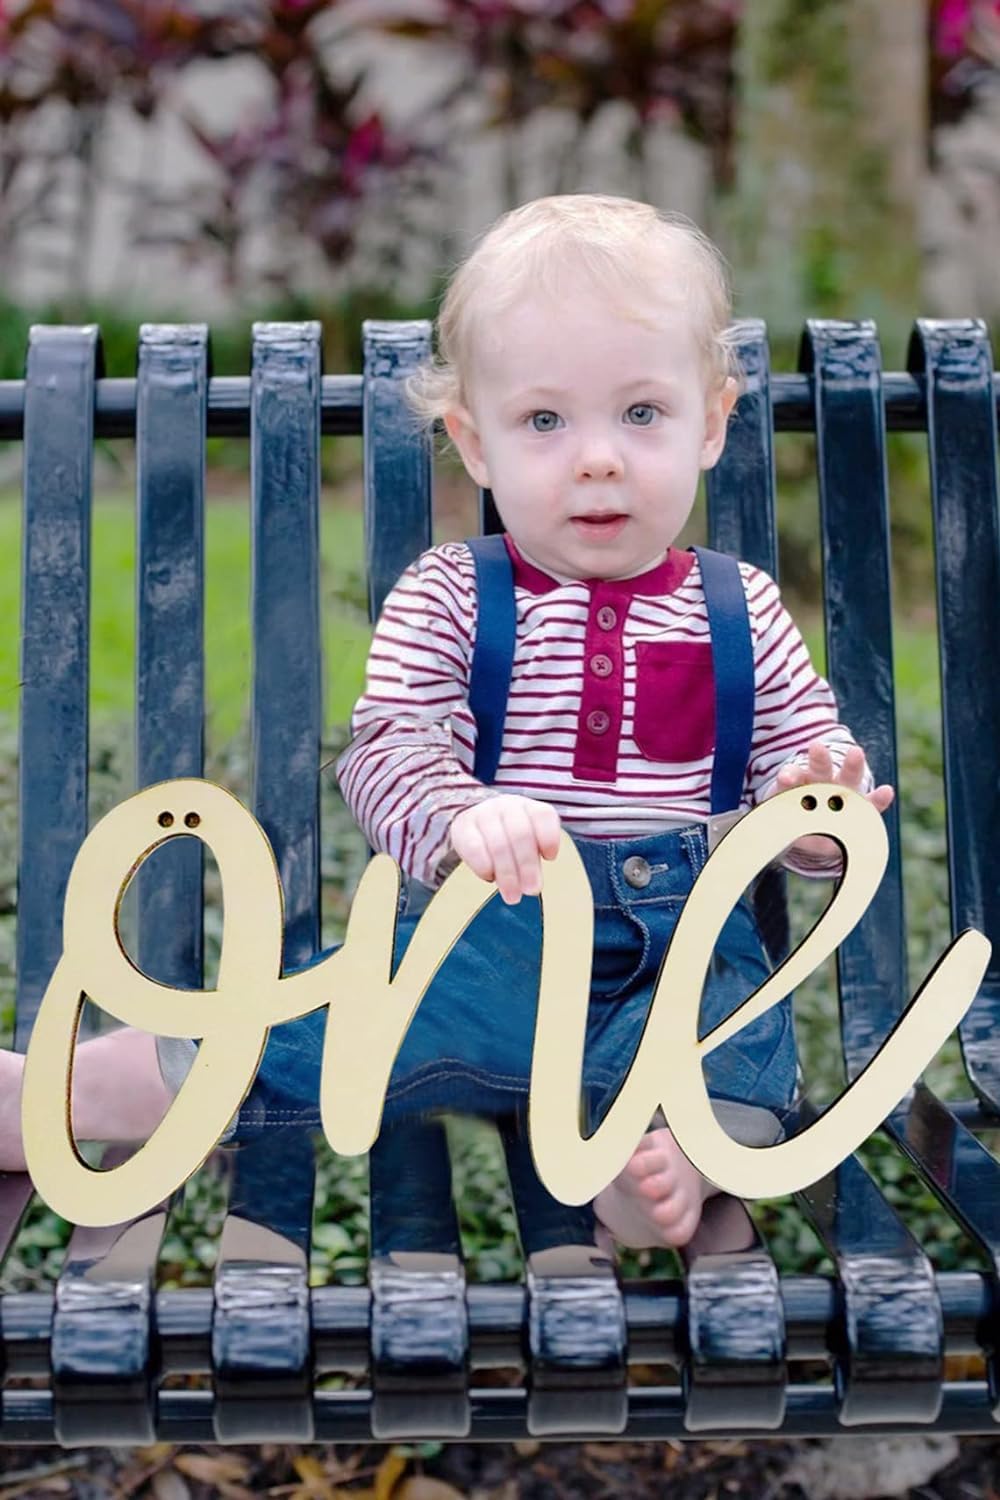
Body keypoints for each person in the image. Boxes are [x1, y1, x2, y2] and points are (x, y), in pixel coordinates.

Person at [0, 193, 893, 1254]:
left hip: (683, 956)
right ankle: (64, 1098)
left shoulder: (739, 607)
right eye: (545, 422)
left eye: (640, 415)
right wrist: (460, 814)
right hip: (490, 943)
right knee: (292, 1035)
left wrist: (813, 818)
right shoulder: (453, 597)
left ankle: (657, 1170)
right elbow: (389, 749)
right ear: (474, 443)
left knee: (740, 1062)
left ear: (711, 422)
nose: (597, 458)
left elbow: (804, 759)